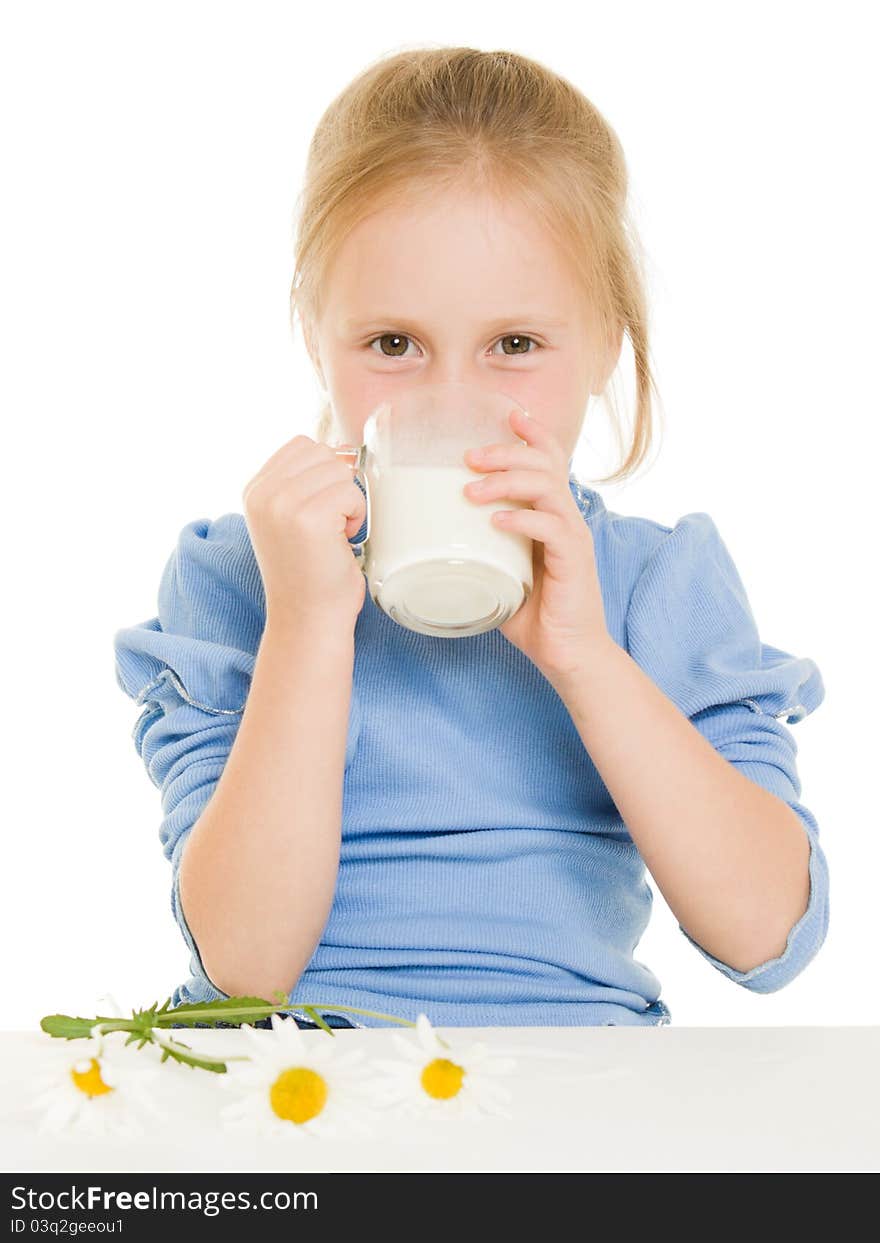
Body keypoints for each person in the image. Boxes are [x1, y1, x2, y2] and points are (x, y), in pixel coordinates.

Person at [113, 46, 828, 1030]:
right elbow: (245, 969)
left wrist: (582, 655)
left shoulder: (656, 580)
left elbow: (766, 934)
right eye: (392, 345)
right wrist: (310, 630)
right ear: (317, 336)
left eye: (516, 345)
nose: (453, 401)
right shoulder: (240, 575)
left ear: (604, 348)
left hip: (576, 1085)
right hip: (283, 1080)